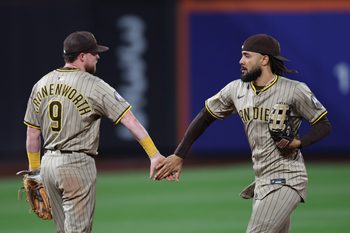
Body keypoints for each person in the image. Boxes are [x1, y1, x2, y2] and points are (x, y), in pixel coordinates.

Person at [155, 34, 332, 233]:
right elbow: (205, 116)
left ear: (264, 59)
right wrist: (179, 155)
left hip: (287, 179)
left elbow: (323, 124)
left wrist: (298, 143)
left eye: (247, 56)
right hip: (262, 180)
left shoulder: (294, 90)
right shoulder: (236, 89)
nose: (241, 61)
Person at [23, 31, 166, 233]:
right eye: (94, 53)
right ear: (82, 56)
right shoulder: (94, 85)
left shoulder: (41, 84)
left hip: (48, 165)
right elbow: (130, 120)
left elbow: (32, 133)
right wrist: (154, 154)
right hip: (77, 165)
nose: (98, 56)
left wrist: (35, 171)